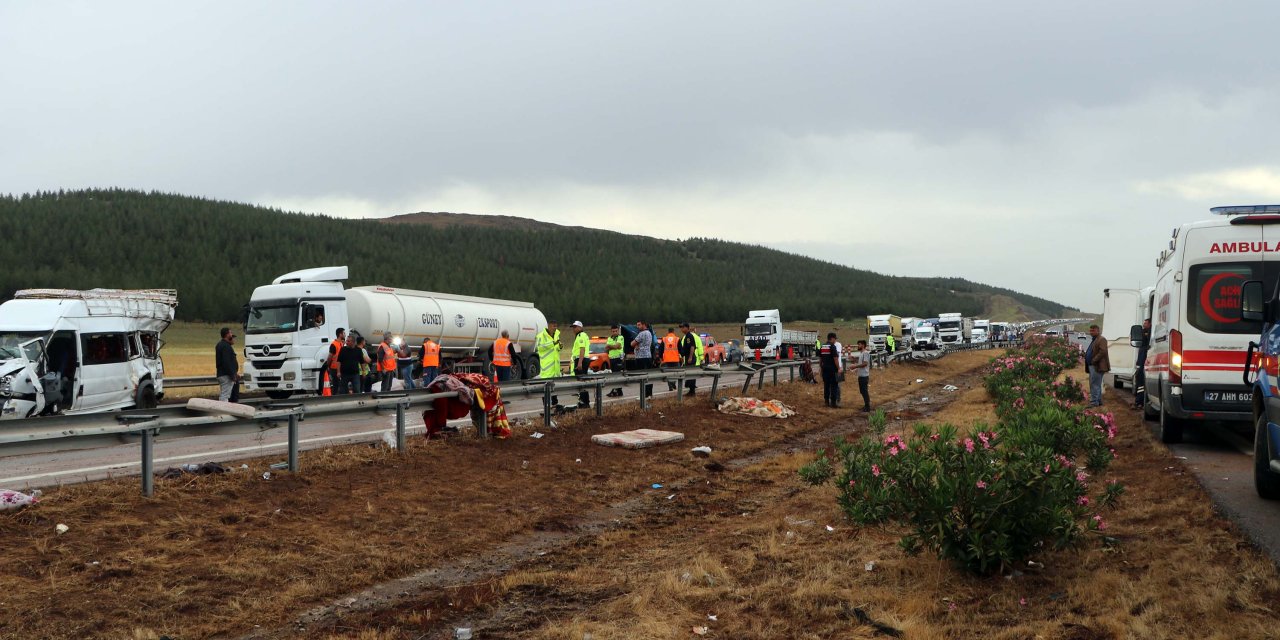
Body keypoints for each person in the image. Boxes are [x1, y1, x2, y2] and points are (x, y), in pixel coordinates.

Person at [535, 321, 562, 406]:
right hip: (546, 368)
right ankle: (546, 406)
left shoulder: (556, 335)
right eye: (554, 326)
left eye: (556, 326)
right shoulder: (541, 336)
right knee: (546, 388)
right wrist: (553, 343)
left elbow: (555, 349)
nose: (555, 328)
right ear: (549, 326)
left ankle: (555, 405)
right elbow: (540, 347)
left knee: (554, 388)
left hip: (555, 368)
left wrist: (559, 346)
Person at [1085, 324, 1109, 407]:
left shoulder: (1101, 339)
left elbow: (1103, 352)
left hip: (1097, 366)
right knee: (1096, 384)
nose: (1091, 332)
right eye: (1090, 330)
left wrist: (1094, 360)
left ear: (1098, 331)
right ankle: (1098, 401)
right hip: (1092, 366)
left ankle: (1094, 402)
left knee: (1094, 384)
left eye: (1093, 330)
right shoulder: (1094, 339)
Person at [679, 322, 705, 396]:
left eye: (683, 327)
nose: (681, 329)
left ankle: (692, 391)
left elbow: (692, 347)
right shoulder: (686, 336)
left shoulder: (689, 336)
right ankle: (691, 390)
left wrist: (690, 357)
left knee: (691, 375)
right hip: (688, 357)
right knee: (690, 374)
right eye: (681, 328)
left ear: (687, 328)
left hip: (691, 358)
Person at [570, 321, 591, 408]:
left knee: (581, 382)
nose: (573, 329)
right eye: (573, 327)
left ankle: (584, 402)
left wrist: (579, 363)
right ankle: (585, 402)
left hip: (581, 360)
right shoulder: (582, 335)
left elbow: (582, 349)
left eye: (575, 327)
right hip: (582, 359)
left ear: (580, 328)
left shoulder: (581, 335)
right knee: (583, 381)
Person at [819, 332, 843, 407]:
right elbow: (835, 359)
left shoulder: (823, 346)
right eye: (835, 339)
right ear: (832, 338)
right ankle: (833, 403)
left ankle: (826, 402)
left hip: (825, 369)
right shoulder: (832, 346)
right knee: (834, 386)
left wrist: (821, 368)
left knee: (826, 385)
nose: (835, 340)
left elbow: (820, 359)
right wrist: (839, 368)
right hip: (832, 369)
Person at [215, 327, 240, 402]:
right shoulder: (226, 346)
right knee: (225, 395)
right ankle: (222, 408)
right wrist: (232, 374)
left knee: (225, 394)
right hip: (226, 375)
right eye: (230, 333)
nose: (231, 335)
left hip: (222, 373)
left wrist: (234, 373)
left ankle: (224, 408)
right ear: (227, 334)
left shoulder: (220, 345)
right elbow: (227, 362)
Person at [632, 320, 654, 398]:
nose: (637, 327)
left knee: (642, 376)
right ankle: (649, 394)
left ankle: (644, 395)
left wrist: (636, 344)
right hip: (648, 356)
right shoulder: (649, 333)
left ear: (644, 325)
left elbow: (632, 343)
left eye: (639, 325)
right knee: (648, 376)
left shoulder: (641, 333)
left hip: (641, 357)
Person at [1134, 319, 1151, 410]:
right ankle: (1139, 401)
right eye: (1143, 323)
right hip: (1141, 362)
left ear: (1150, 324)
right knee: (1139, 382)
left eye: (1145, 323)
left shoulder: (1149, 334)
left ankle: (1139, 402)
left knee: (1141, 381)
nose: (1144, 325)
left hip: (1143, 363)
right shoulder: (1143, 332)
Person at [323, 328, 346, 394]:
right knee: (336, 384)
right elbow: (330, 357)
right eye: (344, 333)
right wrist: (328, 365)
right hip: (334, 368)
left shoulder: (341, 343)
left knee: (340, 384)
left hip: (340, 367)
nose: (345, 334)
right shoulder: (334, 344)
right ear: (340, 334)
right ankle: (334, 397)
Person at [606, 325, 626, 397]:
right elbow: (607, 348)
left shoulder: (620, 337)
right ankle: (618, 391)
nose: (614, 332)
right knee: (614, 375)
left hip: (618, 358)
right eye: (613, 331)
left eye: (616, 331)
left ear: (618, 330)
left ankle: (616, 390)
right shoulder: (609, 338)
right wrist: (614, 347)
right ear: (611, 331)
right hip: (612, 358)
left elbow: (617, 346)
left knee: (617, 374)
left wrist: (611, 346)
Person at [852, 339, 871, 412]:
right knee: (862, 391)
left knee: (864, 391)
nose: (858, 346)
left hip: (864, 376)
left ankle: (867, 407)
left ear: (863, 345)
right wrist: (854, 359)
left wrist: (855, 366)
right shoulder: (862, 353)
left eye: (859, 344)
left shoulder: (865, 353)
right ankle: (866, 405)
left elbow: (865, 363)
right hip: (861, 376)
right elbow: (861, 362)